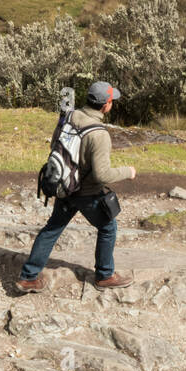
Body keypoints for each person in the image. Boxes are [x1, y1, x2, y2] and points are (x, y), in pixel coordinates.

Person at [15, 81, 136, 292]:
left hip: (63, 186)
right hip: (86, 193)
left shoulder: (69, 116)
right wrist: (128, 172)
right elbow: (102, 175)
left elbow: (55, 144)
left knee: (52, 229)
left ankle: (28, 277)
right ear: (106, 105)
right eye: (111, 100)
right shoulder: (99, 134)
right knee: (108, 227)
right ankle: (105, 276)